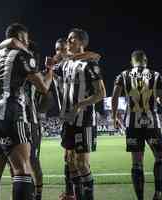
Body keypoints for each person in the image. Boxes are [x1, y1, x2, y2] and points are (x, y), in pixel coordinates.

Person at [0, 23, 53, 200]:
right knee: (22, 168)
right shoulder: (22, 55)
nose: (27, 45)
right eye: (26, 41)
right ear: (20, 38)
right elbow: (43, 87)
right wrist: (50, 70)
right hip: (11, 114)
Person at [54, 28, 106, 200]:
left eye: (71, 39)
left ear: (82, 43)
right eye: (67, 39)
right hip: (68, 120)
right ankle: (74, 196)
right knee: (69, 161)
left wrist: (80, 105)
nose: (67, 42)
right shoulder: (66, 64)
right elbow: (51, 69)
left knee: (82, 164)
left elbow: (101, 93)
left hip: (84, 120)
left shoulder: (90, 64)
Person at [111, 50, 162, 200]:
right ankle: (158, 194)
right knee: (160, 157)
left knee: (137, 162)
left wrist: (114, 116)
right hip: (151, 123)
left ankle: (140, 198)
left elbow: (115, 96)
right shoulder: (156, 75)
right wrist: (155, 99)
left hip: (132, 123)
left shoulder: (123, 75)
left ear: (132, 61)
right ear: (145, 60)